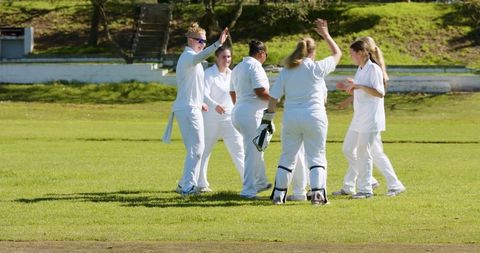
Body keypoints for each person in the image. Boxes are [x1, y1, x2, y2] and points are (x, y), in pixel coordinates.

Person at [267, 18, 342, 205]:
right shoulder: (317, 68)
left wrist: (267, 119)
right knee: (316, 156)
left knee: (288, 156)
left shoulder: (287, 70)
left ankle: (278, 195)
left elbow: (273, 97)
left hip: (291, 117)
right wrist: (325, 34)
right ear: (313, 52)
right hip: (315, 116)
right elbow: (337, 53)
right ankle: (317, 195)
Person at [333, 36, 406, 197]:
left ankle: (365, 189)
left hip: (371, 119)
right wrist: (349, 90)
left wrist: (358, 85)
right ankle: (379, 182)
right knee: (348, 149)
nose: (350, 56)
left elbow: (380, 93)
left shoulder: (373, 68)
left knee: (363, 152)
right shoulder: (360, 69)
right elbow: (363, 90)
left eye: (352, 53)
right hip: (359, 118)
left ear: (361, 52)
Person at [170, 22, 228, 196]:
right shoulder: (189, 56)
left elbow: (196, 87)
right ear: (189, 40)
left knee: (195, 150)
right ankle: (188, 186)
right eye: (199, 41)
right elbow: (200, 56)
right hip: (188, 109)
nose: (202, 44)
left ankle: (183, 184)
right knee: (197, 149)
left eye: (204, 41)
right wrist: (217, 44)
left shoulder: (192, 59)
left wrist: (203, 102)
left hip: (191, 107)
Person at [198, 46, 245, 192]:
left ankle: (249, 182)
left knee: (238, 150)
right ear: (216, 58)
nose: (227, 60)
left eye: (229, 57)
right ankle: (201, 184)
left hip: (230, 118)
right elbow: (203, 94)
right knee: (204, 151)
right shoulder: (208, 74)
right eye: (223, 57)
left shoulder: (233, 74)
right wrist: (214, 105)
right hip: (211, 118)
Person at [230, 40, 272, 199]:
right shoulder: (255, 66)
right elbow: (260, 91)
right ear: (261, 54)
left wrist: (241, 107)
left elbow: (232, 93)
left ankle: (261, 181)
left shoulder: (238, 67)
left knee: (258, 148)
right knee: (252, 152)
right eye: (265, 56)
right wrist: (276, 99)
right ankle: (248, 189)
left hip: (239, 112)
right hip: (251, 114)